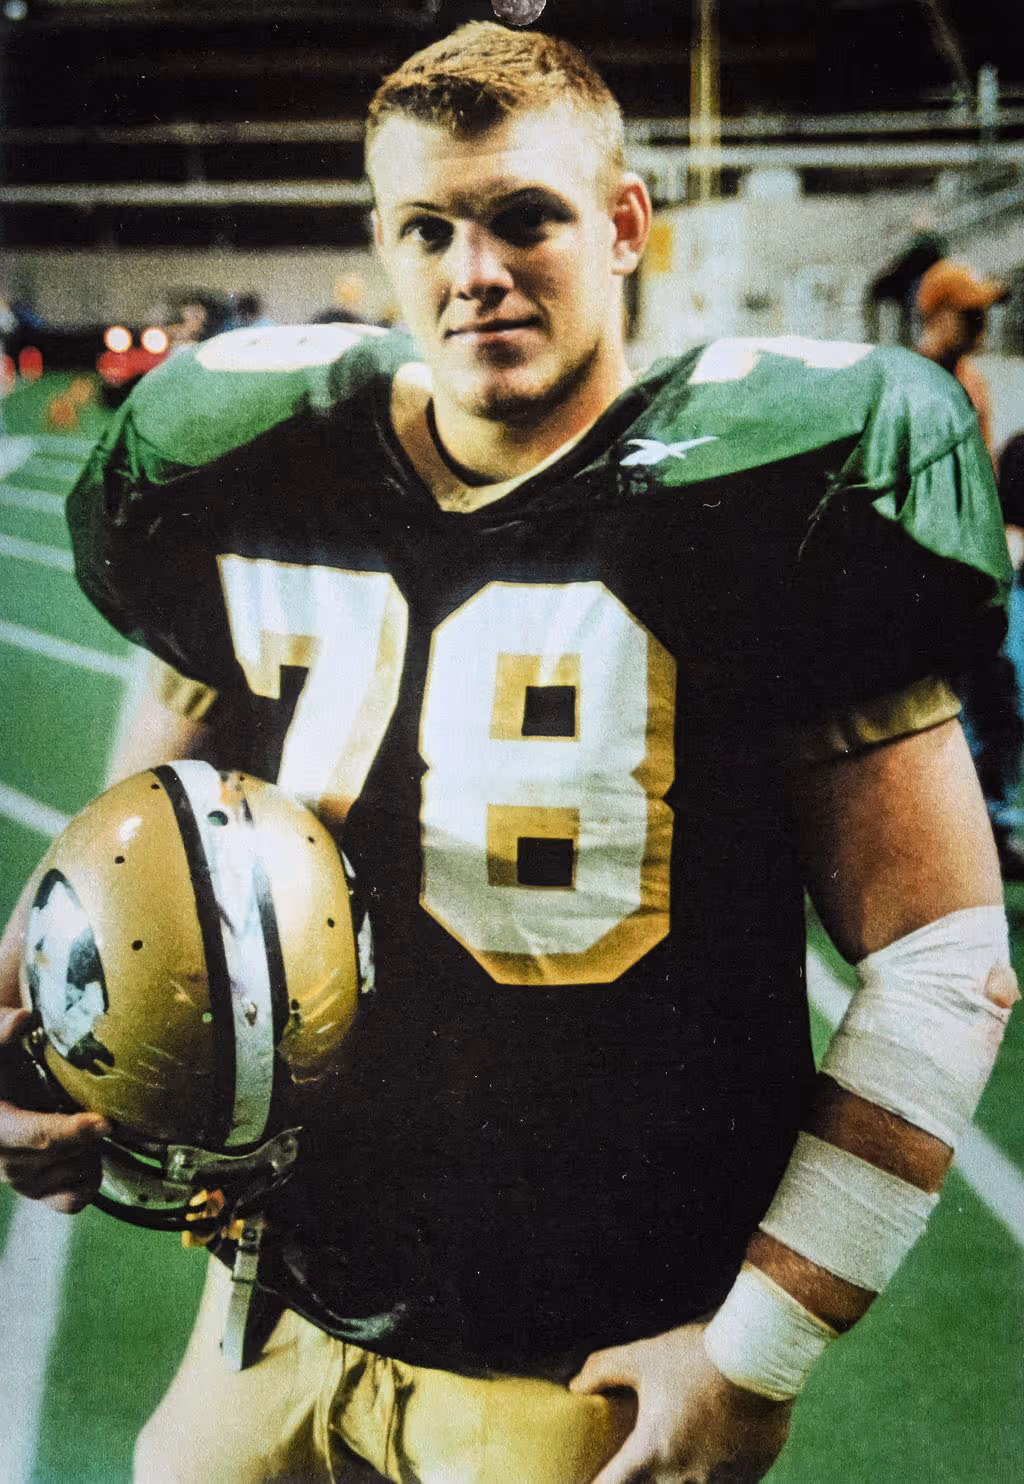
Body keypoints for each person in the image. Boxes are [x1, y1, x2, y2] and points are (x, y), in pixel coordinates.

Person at [0, 23, 1018, 1484]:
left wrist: (756, 1351)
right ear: (384, 242)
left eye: (525, 216)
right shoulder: (264, 466)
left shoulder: (772, 497)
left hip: (572, 1359)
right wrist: (46, 1042)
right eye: (429, 227)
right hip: (278, 1306)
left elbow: (939, 957)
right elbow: (145, 831)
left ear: (620, 227)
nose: (475, 267)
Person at [914, 258, 1007, 456]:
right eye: (971, 314)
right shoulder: (902, 382)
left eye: (984, 313)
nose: (981, 326)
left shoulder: (973, 382)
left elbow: (985, 469)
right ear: (938, 316)